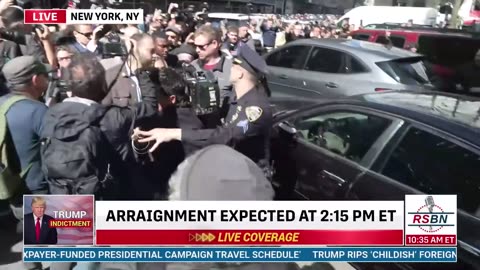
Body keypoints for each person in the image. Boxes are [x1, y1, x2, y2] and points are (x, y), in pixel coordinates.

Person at [133, 45, 273, 173]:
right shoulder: (238, 95)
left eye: (234, 65)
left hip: (248, 175)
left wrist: (175, 133)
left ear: (240, 74)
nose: (229, 68)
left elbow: (228, 136)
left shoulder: (256, 109)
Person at [102, 33, 156, 107]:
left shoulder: (153, 76)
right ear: (133, 46)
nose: (155, 55)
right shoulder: (112, 77)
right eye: (151, 51)